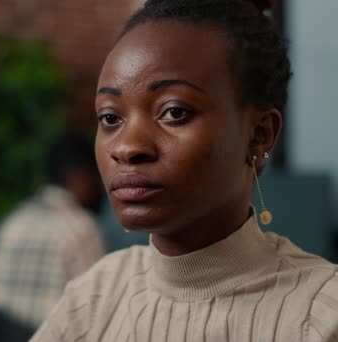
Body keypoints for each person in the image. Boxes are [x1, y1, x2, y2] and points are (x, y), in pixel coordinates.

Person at [31, 1, 338, 341]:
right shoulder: (92, 300)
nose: (126, 147)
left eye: (175, 112)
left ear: (259, 134)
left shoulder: (320, 316)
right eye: (110, 118)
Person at [0, 133, 105, 330]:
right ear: (80, 176)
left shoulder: (11, 222)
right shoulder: (81, 229)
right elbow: (97, 316)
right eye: (96, 176)